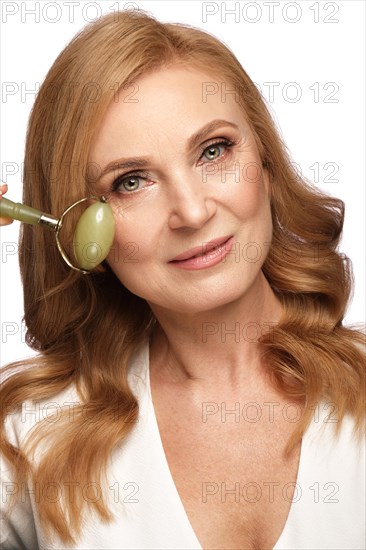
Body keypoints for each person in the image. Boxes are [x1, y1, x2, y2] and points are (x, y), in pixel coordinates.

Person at [0, 8, 365, 550]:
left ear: (265, 162)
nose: (192, 212)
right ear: (77, 230)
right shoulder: (33, 433)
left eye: (213, 151)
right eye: (131, 182)